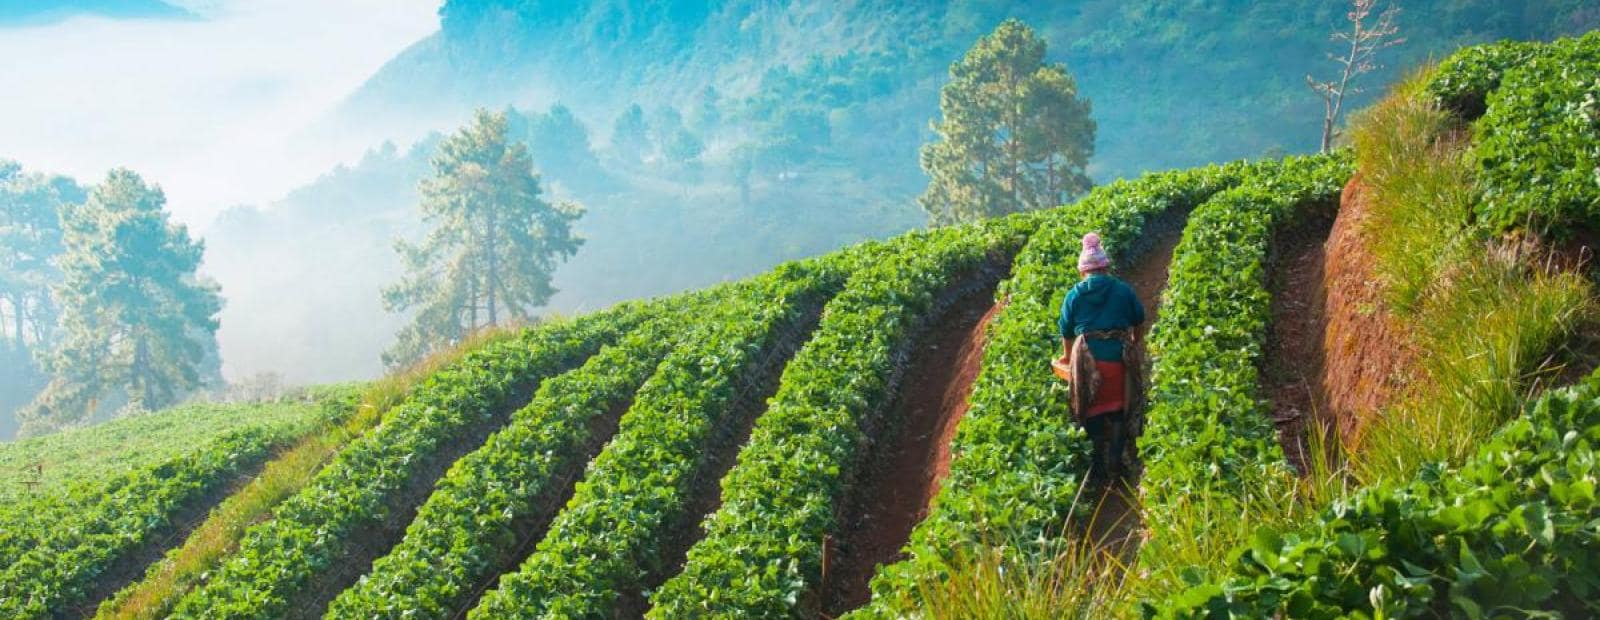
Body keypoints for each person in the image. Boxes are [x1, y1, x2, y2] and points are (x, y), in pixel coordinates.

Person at [1057, 232, 1145, 484]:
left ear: (1083, 271)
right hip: (1117, 358)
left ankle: (1097, 466)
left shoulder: (1074, 295)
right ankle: (1115, 463)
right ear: (1105, 267)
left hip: (1088, 361)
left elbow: (1066, 331)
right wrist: (1133, 344)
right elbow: (1139, 320)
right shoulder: (1122, 290)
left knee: (1092, 410)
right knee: (1118, 410)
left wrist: (1066, 357)